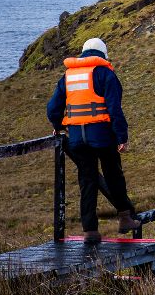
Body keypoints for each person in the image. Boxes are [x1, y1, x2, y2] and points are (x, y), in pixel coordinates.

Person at [47, 38, 140, 244]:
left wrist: (57, 125)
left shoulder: (68, 76)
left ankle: (90, 231)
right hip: (102, 136)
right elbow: (115, 109)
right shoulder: (105, 74)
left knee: (87, 182)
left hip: (77, 139)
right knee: (113, 175)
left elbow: (53, 107)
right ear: (103, 54)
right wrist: (122, 137)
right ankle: (125, 218)